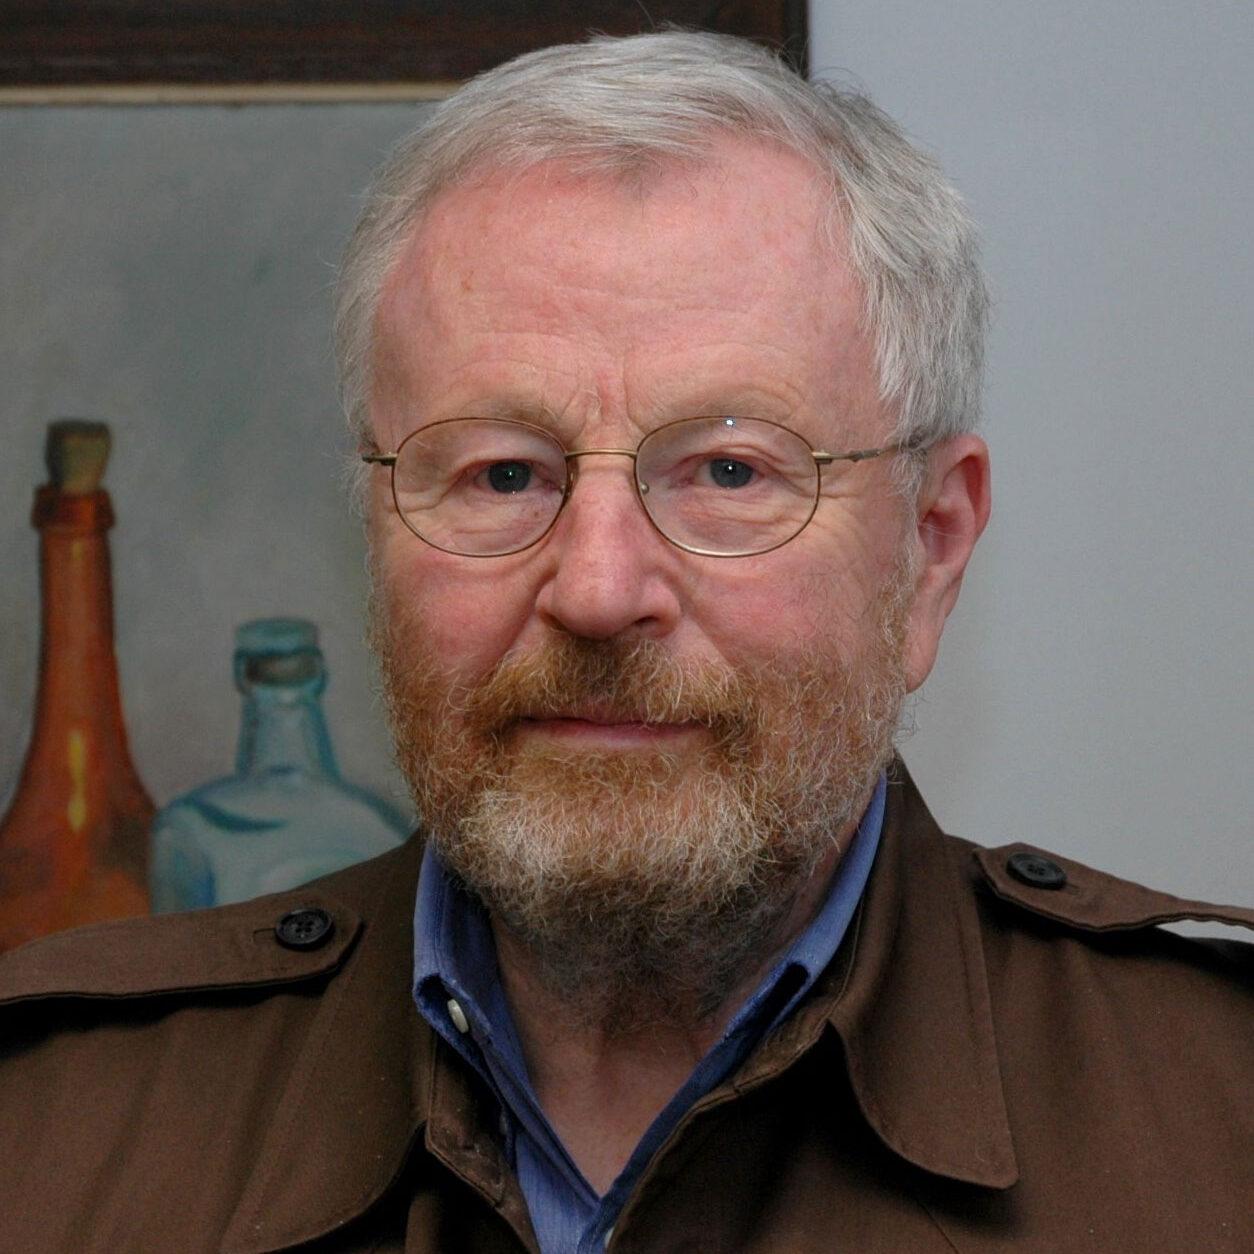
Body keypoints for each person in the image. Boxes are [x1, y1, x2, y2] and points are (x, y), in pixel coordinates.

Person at [1, 30, 1250, 1254]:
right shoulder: (52, 1128)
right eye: (501, 473)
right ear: (373, 532)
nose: (598, 588)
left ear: (929, 549)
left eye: (727, 469)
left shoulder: (1217, 1121)